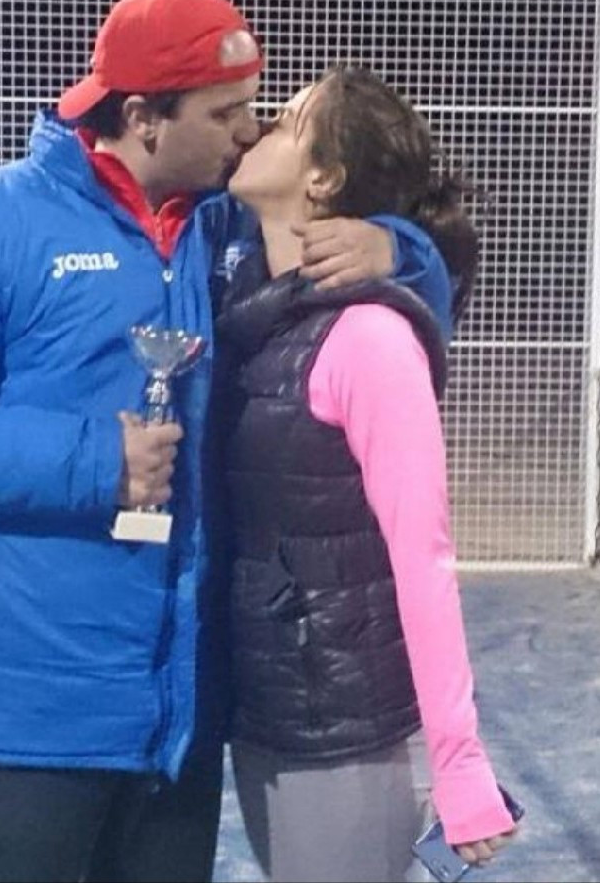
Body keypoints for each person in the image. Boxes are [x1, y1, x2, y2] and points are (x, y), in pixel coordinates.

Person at [0, 0, 451, 883]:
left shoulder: (226, 228)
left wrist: (399, 249)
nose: (248, 130)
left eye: (255, 109)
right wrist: (97, 460)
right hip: (24, 718)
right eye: (225, 112)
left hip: (176, 721)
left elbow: (408, 301)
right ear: (143, 118)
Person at [217, 66, 518, 883]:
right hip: (269, 712)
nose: (257, 128)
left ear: (323, 179)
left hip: (341, 729)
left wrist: (458, 760)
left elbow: (424, 558)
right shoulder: (254, 310)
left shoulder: (369, 340)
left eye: (285, 121)